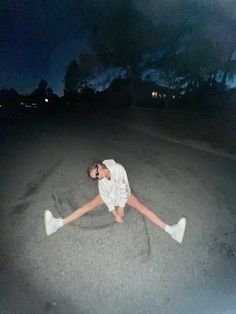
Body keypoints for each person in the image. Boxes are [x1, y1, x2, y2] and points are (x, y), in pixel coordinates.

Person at [44, 159, 187, 243]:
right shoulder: (101, 181)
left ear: (100, 166)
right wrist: (114, 212)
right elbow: (105, 196)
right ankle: (56, 224)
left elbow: (124, 189)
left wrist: (122, 207)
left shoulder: (118, 169)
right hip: (111, 196)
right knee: (87, 206)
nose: (98, 177)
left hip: (122, 194)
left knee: (143, 208)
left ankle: (172, 231)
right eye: (95, 177)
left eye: (97, 173)